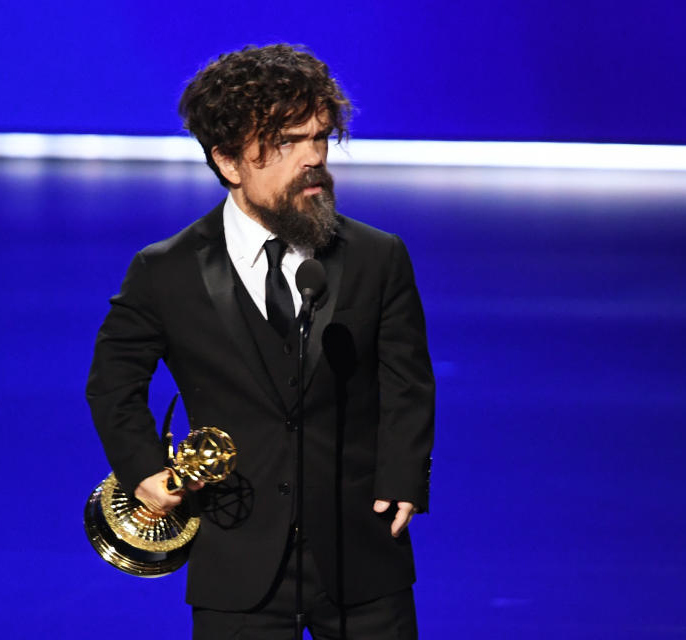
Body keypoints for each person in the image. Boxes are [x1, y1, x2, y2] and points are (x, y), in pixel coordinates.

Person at [87, 43, 435, 639]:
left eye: (319, 137)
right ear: (228, 161)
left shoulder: (378, 257)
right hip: (237, 550)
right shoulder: (165, 271)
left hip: (360, 551)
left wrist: (403, 477)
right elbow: (113, 383)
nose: (313, 159)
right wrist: (143, 469)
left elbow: (406, 378)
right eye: (286, 143)